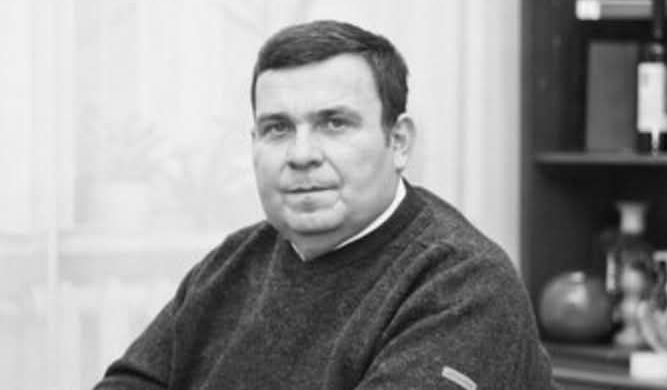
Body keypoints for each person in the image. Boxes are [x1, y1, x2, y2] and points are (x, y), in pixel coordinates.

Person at [94, 20, 558, 389]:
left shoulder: (463, 283)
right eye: (277, 128)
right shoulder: (233, 262)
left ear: (398, 142)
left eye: (334, 123)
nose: (301, 155)